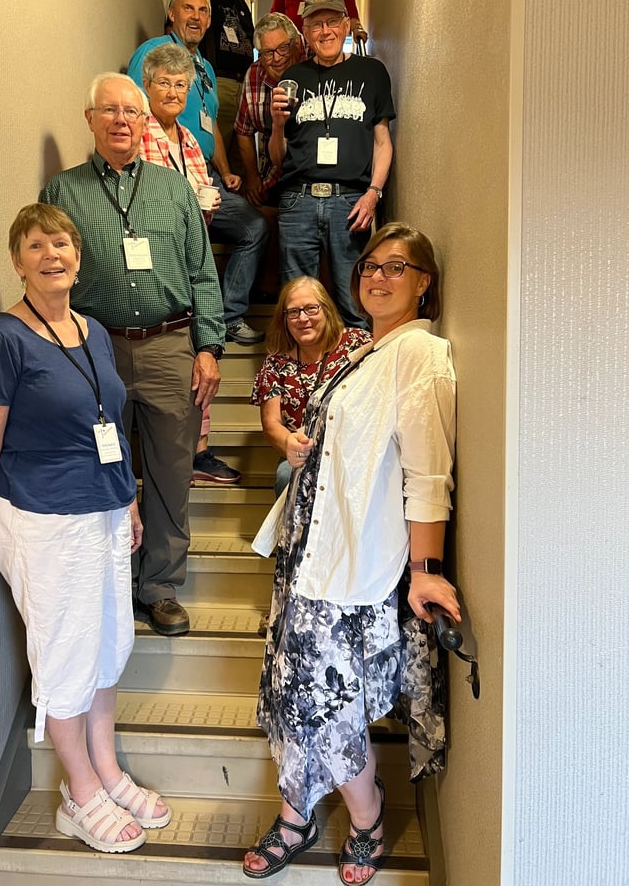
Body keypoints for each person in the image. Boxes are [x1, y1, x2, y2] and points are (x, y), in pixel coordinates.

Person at [0, 203, 170, 855]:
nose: (52, 254)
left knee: (109, 642)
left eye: (62, 243)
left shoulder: (92, 331)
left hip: (104, 509)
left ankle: (107, 768)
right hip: (42, 516)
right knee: (67, 649)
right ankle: (81, 792)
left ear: (78, 256)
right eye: (36, 245)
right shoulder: (2, 341)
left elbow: (109, 422)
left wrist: (128, 499)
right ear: (18, 262)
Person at [243, 223, 458, 883]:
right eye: (370, 265)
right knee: (289, 692)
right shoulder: (364, 351)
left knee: (331, 705)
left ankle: (367, 818)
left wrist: (425, 571)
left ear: (424, 283)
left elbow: (428, 473)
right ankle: (295, 815)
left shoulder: (419, 353)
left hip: (352, 567)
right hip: (307, 553)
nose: (378, 276)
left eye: (397, 266)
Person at [41, 73, 225, 637]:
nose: (121, 120)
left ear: (145, 122)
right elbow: (51, 273)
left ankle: (160, 586)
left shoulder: (174, 189)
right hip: (95, 350)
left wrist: (209, 347)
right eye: (109, 110)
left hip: (171, 346)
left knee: (171, 471)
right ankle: (111, 582)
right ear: (90, 119)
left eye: (131, 112)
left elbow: (202, 271)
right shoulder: (62, 192)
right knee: (101, 468)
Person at [128, 0, 268, 346]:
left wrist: (226, 171)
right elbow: (133, 108)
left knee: (254, 227)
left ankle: (228, 317)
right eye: (188, 8)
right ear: (172, 13)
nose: (196, 16)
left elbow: (212, 125)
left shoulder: (204, 67)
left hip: (202, 175)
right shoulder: (154, 51)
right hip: (162, 176)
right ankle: (192, 324)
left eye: (203, 10)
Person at [138, 42, 241, 485]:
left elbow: (198, 196)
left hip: (190, 256)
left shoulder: (189, 140)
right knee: (175, 360)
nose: (173, 92)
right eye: (165, 83)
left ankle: (199, 448)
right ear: (147, 85)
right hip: (154, 264)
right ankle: (176, 451)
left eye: (181, 85)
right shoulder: (138, 132)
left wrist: (207, 206)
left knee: (204, 351)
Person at [269, 0, 395, 329]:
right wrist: (277, 125)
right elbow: (278, 158)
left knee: (356, 304)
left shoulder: (372, 72)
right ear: (305, 33)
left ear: (346, 25)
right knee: (298, 307)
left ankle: (354, 364)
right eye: (315, 25)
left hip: (351, 203)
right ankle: (305, 365)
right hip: (298, 201)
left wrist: (373, 194)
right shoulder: (292, 78)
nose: (325, 31)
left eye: (332, 22)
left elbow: (382, 142)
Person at [251, 276, 370, 496]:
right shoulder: (275, 363)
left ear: (327, 309)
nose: (303, 318)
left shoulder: (358, 344)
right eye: (293, 312)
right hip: (304, 451)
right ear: (284, 319)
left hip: (353, 447)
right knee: (286, 475)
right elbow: (271, 424)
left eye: (311, 309)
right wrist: (289, 442)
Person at [196, 0, 255, 166]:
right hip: (213, 85)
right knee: (213, 161)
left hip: (245, 90)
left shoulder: (241, 5)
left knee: (240, 165)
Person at [235, 12, 305, 208]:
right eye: (268, 52)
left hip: (310, 171)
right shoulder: (254, 74)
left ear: (296, 44)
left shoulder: (313, 61)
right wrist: (252, 177)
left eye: (283, 48)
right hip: (275, 169)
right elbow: (243, 130)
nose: (277, 58)